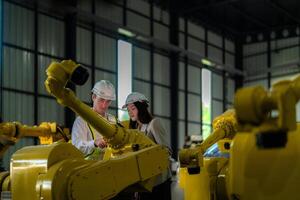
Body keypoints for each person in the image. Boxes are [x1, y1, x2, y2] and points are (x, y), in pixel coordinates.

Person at [122, 92, 172, 200]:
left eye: (133, 108)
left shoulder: (154, 123)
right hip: (145, 182)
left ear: (142, 108)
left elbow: (166, 151)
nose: (130, 112)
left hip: (159, 182)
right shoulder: (138, 129)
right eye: (128, 110)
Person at [72, 80, 117, 159]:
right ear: (93, 97)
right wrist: (94, 143)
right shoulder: (82, 120)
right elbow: (76, 146)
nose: (104, 105)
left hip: (110, 166)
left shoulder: (114, 121)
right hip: (89, 168)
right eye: (101, 100)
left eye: (108, 101)